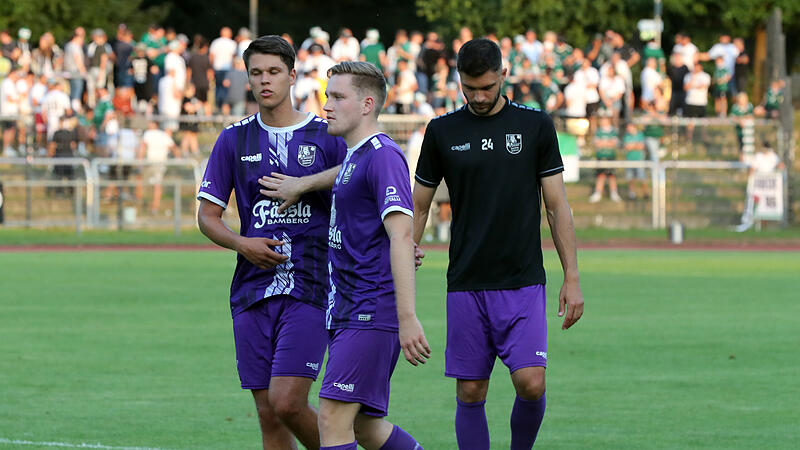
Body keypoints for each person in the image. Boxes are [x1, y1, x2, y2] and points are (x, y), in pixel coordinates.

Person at [412, 38, 584, 450]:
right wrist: (403, 254)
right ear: (458, 81)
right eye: (470, 88)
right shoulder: (442, 131)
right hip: (467, 282)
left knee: (531, 383)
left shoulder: (535, 125)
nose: (479, 96)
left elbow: (557, 207)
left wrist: (572, 277)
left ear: (503, 75)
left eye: (487, 87)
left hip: (522, 280)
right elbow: (418, 207)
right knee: (470, 391)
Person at [257, 61, 429, 450]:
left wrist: (407, 319)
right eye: (325, 96)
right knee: (367, 428)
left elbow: (401, 236)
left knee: (332, 417)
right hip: (347, 310)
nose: (327, 105)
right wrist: (302, 184)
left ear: (367, 104)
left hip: (369, 311)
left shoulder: (384, 155)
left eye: (337, 97)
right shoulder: (356, 156)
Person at [196, 35, 347, 450]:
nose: (265, 81)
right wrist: (243, 244)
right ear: (247, 78)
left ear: (293, 76)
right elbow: (207, 217)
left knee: (287, 402)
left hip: (311, 286)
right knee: (267, 413)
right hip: (251, 290)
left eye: (274, 72)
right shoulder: (234, 139)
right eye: (257, 73)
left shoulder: (327, 134)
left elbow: (363, 177)